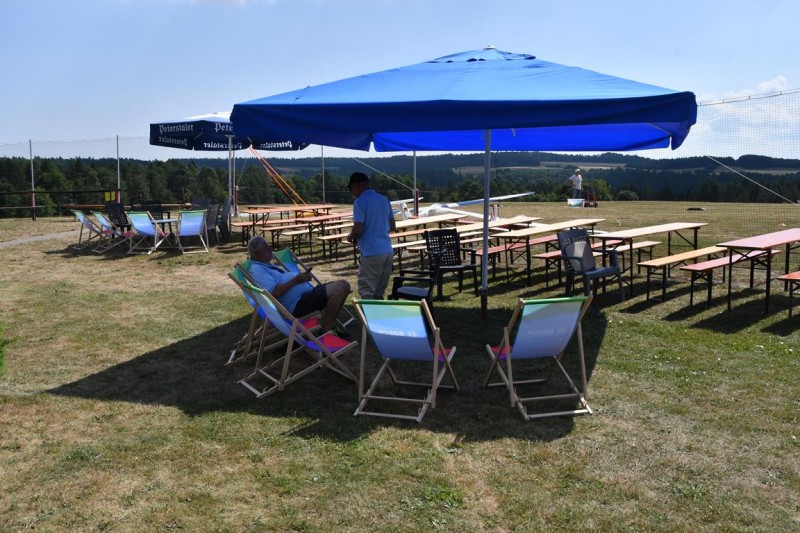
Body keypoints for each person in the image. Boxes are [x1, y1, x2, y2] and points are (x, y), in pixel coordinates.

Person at [246, 235, 351, 335]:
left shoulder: (267, 265)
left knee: (344, 285)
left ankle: (329, 326)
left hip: (307, 296)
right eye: (266, 247)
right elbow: (274, 293)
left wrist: (303, 278)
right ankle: (326, 331)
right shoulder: (257, 270)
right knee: (338, 289)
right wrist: (296, 280)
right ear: (257, 253)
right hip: (297, 305)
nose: (270, 248)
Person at [346, 172, 396, 299]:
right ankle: (379, 312)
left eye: (350, 189)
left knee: (367, 292)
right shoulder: (384, 199)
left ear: (355, 185)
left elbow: (358, 229)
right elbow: (392, 226)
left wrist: (351, 236)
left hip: (371, 252)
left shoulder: (360, 202)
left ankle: (368, 313)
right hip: (387, 251)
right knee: (379, 293)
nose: (352, 192)